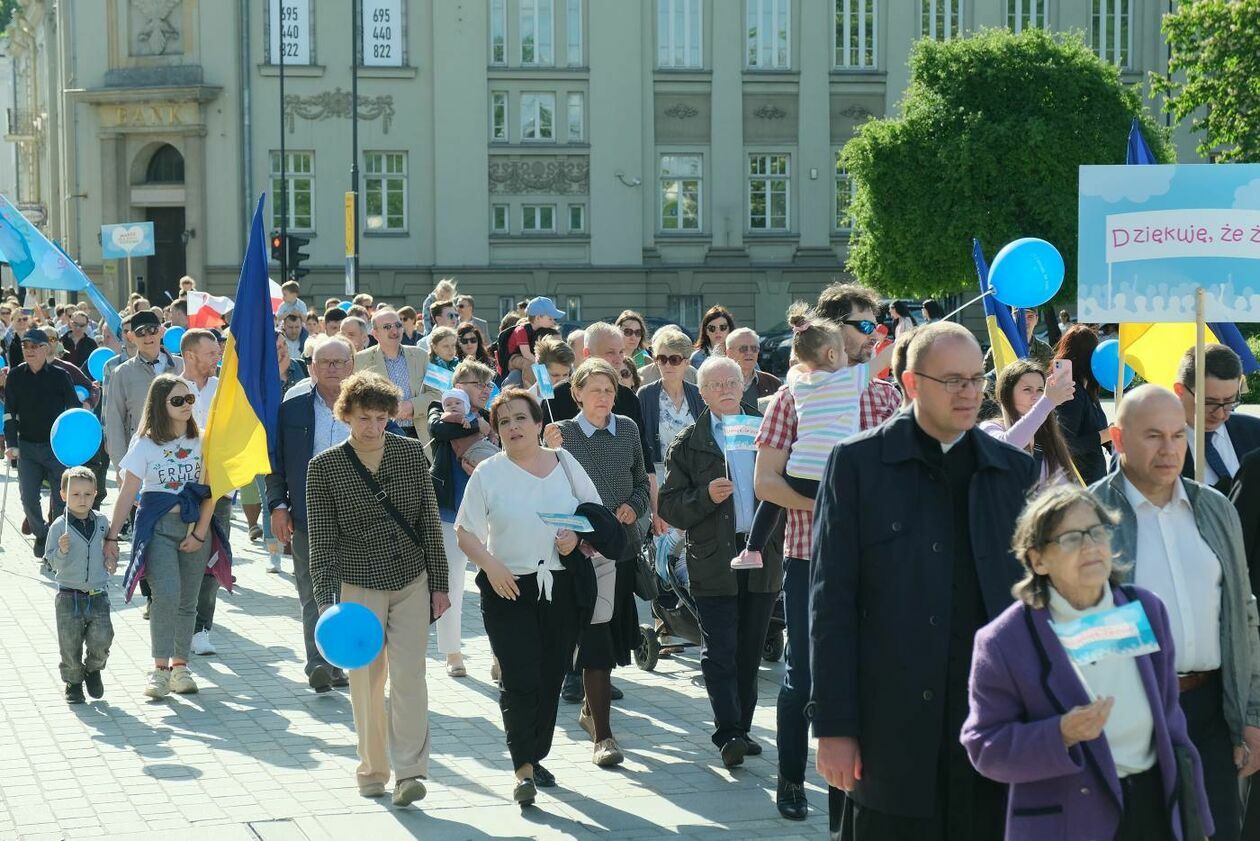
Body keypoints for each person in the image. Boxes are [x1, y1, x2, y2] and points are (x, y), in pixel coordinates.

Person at [812, 321, 1039, 840]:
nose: (969, 393)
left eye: (978, 379)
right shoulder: (858, 465)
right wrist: (834, 726)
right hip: (892, 727)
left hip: (991, 725)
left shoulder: (1014, 473)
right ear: (912, 385)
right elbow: (832, 605)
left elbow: (1034, 607)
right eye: (952, 380)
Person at [961, 485, 1212, 841]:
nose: (1091, 546)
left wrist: (1195, 820)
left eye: (1097, 531)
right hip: (1069, 821)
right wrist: (1060, 733)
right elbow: (985, 747)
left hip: (1154, 809)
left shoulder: (1145, 610)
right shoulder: (1004, 641)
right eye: (1071, 538)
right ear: (1037, 560)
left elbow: (1173, 723)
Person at [754, 283, 900, 824]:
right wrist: (827, 509)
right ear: (833, 331)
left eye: (876, 326)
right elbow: (766, 481)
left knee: (872, 672)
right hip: (807, 556)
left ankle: (855, 792)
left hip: (876, 558)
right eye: (864, 326)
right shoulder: (794, 394)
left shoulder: (885, 395)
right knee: (804, 676)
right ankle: (791, 777)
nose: (873, 336)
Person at [1090, 384, 1260, 841]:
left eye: (1177, 436)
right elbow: (1073, 628)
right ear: (1119, 438)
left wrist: (1252, 714)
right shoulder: (1088, 515)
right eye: (1153, 437)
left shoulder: (1216, 509)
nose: (1170, 450)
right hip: (1130, 715)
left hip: (1210, 709)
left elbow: (1243, 613)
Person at [306, 371, 450, 807]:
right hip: (357, 583)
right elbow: (321, 539)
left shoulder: (410, 454)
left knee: (410, 676)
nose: (372, 426)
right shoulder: (324, 467)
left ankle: (411, 771)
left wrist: (440, 585)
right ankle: (372, 770)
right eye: (363, 418)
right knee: (366, 681)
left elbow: (429, 522)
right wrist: (326, 600)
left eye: (381, 418)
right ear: (346, 415)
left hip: (411, 578)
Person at [456, 388, 604, 804]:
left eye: (521, 418)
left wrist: (574, 536)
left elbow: (594, 513)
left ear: (539, 424)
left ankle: (535, 755)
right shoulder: (488, 472)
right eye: (504, 422)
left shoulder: (565, 463)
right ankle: (522, 767)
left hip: (561, 587)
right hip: (507, 588)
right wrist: (492, 565)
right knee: (520, 679)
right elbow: (464, 531)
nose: (513, 427)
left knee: (551, 675)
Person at [659, 356, 781, 767]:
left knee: (749, 649)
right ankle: (727, 730)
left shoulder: (767, 429)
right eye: (717, 384)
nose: (727, 389)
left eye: (733, 381)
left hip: (761, 550)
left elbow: (787, 481)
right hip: (714, 558)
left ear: (744, 384)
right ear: (704, 393)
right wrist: (704, 497)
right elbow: (671, 507)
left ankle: (742, 730)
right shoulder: (688, 442)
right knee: (719, 649)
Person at [544, 359, 651, 769]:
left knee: (603, 637)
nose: (604, 397)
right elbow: (545, 486)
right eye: (595, 390)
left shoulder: (628, 428)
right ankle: (597, 726)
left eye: (610, 389)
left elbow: (642, 479)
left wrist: (633, 506)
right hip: (577, 551)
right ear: (577, 394)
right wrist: (546, 447)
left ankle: (598, 721)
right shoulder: (562, 433)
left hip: (619, 547)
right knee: (589, 636)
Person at [735, 306, 891, 571]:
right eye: (865, 327)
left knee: (773, 501)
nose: (873, 335)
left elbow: (798, 367)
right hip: (833, 474)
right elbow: (883, 361)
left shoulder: (797, 382)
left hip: (798, 472)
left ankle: (752, 549)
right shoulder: (849, 380)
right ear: (832, 353)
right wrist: (901, 342)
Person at [106, 374, 219, 700]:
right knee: (166, 595)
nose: (186, 405)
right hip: (157, 528)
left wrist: (199, 533)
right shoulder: (144, 444)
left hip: (195, 527)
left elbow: (213, 491)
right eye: (178, 400)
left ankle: (180, 667)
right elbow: (128, 491)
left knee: (188, 600)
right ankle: (159, 670)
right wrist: (112, 537)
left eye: (190, 400)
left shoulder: (203, 442)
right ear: (160, 404)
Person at [268, 338, 360, 693]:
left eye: (339, 361)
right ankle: (319, 662)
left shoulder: (369, 404)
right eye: (325, 362)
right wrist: (277, 505)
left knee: (352, 592)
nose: (333, 368)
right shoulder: (292, 408)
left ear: (352, 365)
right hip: (309, 514)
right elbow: (273, 460)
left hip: (359, 516)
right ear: (311, 367)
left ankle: (343, 660)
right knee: (314, 591)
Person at [428, 359, 496, 679]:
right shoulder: (440, 408)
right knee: (451, 583)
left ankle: (500, 652)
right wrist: (474, 424)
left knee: (496, 583)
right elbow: (438, 428)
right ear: (457, 388)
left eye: (488, 385)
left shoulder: (495, 416)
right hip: (449, 511)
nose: (485, 390)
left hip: (489, 514)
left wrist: (486, 424)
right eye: (477, 383)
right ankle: (453, 653)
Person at [3, 328, 80, 556]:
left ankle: (55, 540)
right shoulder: (15, 377)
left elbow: (74, 410)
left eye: (35, 346)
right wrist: (10, 443)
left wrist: (74, 445)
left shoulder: (60, 376)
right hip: (26, 446)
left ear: (46, 349)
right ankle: (42, 535)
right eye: (26, 346)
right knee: (27, 497)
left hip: (57, 448)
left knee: (59, 498)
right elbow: (9, 413)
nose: (29, 351)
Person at [43, 466, 115, 705]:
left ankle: (93, 669)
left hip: (97, 593)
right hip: (68, 596)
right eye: (75, 494)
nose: (81, 499)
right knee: (70, 643)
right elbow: (50, 564)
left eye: (87, 494)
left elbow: (109, 549)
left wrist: (111, 559)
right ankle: (73, 683)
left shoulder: (103, 522)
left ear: (96, 493)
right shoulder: (58, 527)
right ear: (63, 495)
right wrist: (62, 552)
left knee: (103, 637)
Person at [637, 326, 704, 536]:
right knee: (664, 543)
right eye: (661, 358)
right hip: (659, 480)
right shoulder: (646, 395)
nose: (667, 364)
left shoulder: (698, 394)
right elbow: (640, 444)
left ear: (686, 361)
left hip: (693, 478)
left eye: (674, 359)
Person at [104, 310, 184, 479]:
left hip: (182, 454)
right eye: (141, 332)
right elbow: (114, 421)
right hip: (141, 459)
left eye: (152, 330)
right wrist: (120, 467)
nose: (148, 336)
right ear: (131, 337)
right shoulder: (122, 373)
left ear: (162, 331)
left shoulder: (181, 366)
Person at [1173, 345, 1260, 494]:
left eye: (1229, 402)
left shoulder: (1255, 432)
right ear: (1180, 391)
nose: (1220, 414)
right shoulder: (1157, 445)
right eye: (1209, 402)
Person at [980, 359, 1078, 489]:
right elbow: (1006, 448)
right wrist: (1047, 402)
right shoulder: (990, 428)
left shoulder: (1047, 435)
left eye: (1040, 390)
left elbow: (1065, 487)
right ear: (1007, 394)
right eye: (1027, 390)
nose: (1036, 396)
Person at [354, 309, 432, 443]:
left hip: (422, 436)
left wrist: (412, 406)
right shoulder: (360, 360)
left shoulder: (422, 356)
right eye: (387, 327)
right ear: (375, 333)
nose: (394, 331)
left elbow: (438, 394)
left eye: (398, 325)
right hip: (382, 436)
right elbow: (357, 399)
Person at [1053, 325, 1110, 485]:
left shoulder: (1088, 387)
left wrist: (1110, 437)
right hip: (1080, 482)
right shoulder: (1070, 392)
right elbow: (1065, 444)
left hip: (1093, 478)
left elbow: (1092, 429)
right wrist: (1103, 435)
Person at [982, 307, 1055, 374]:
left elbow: (1052, 382)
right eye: (1019, 316)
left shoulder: (1046, 351)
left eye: (1030, 316)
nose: (1024, 321)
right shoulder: (998, 350)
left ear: (1036, 319)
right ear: (1011, 318)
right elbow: (986, 382)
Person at [726, 327, 780, 408]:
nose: (749, 352)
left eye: (754, 349)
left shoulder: (773, 383)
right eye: (743, 349)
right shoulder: (716, 383)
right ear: (729, 353)